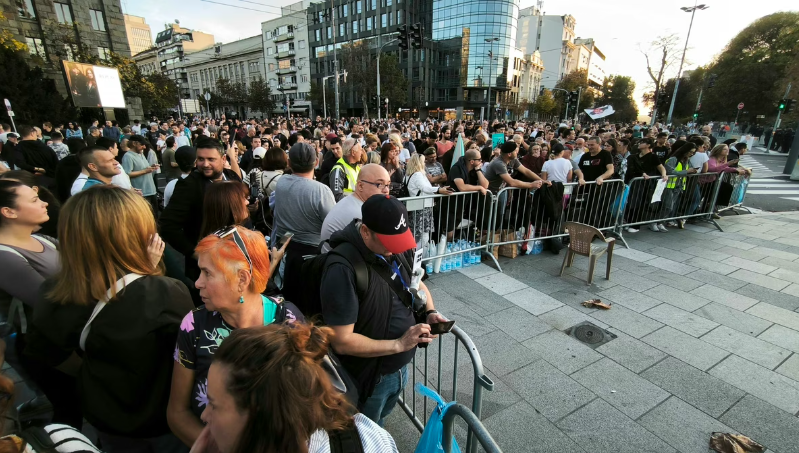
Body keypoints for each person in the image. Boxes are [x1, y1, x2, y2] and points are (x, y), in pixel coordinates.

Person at [25, 186, 193, 452]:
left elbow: (48, 352)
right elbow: (187, 354)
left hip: (104, 412)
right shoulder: (163, 292)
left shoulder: (53, 290)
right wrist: (147, 273)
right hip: (159, 417)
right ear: (133, 234)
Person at [168, 224, 301, 448]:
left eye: (207, 273)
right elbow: (177, 413)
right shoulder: (194, 325)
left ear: (241, 279)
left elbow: (302, 411)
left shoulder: (289, 323)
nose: (198, 283)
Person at [321, 195, 445, 426]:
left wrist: (430, 311)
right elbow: (342, 340)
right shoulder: (342, 268)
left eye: (400, 241)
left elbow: (417, 281)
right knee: (367, 430)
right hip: (370, 377)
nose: (395, 249)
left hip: (399, 369)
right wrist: (398, 344)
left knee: (383, 420)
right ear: (365, 232)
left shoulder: (398, 248)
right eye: (389, 242)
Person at [187, 324, 398, 453]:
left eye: (214, 405)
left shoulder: (368, 443)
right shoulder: (370, 436)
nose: (204, 415)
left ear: (260, 416)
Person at [161, 138, 243, 283]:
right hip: (206, 268)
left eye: (211, 159)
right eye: (200, 159)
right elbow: (167, 226)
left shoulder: (232, 177)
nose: (205, 164)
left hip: (235, 257)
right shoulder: (189, 185)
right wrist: (195, 253)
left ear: (223, 159)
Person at [272, 142, 335, 303]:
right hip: (311, 258)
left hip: (284, 252)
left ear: (288, 163)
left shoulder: (282, 182)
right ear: (316, 162)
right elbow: (333, 225)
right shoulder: (321, 190)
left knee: (289, 304)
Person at [320, 164, 391, 249]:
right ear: (360, 186)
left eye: (388, 185)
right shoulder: (360, 214)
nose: (386, 190)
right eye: (379, 184)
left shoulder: (353, 203)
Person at [404, 154, 453, 247]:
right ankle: (417, 254)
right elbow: (425, 188)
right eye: (423, 161)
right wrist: (438, 190)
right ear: (419, 163)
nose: (425, 163)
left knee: (417, 235)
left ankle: (414, 253)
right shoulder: (418, 174)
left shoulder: (408, 175)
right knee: (423, 236)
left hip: (416, 206)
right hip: (422, 207)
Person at [122, 135, 159, 213]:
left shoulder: (141, 154)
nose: (144, 147)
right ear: (134, 143)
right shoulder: (128, 156)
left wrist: (151, 167)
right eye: (142, 144)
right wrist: (145, 171)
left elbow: (143, 168)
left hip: (151, 190)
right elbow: (127, 174)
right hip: (142, 193)